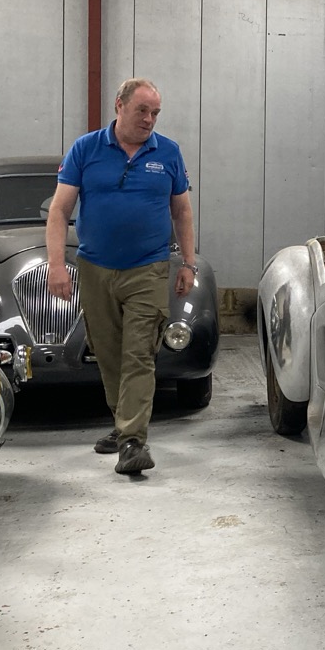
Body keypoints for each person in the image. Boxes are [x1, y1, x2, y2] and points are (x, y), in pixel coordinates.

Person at [45, 78, 197, 475]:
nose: (149, 119)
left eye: (155, 113)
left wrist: (189, 263)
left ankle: (132, 440)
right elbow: (59, 211)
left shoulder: (168, 153)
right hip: (95, 268)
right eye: (142, 111)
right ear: (119, 106)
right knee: (109, 353)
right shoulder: (86, 149)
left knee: (138, 354)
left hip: (148, 267)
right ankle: (121, 422)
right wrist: (57, 265)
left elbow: (181, 211)